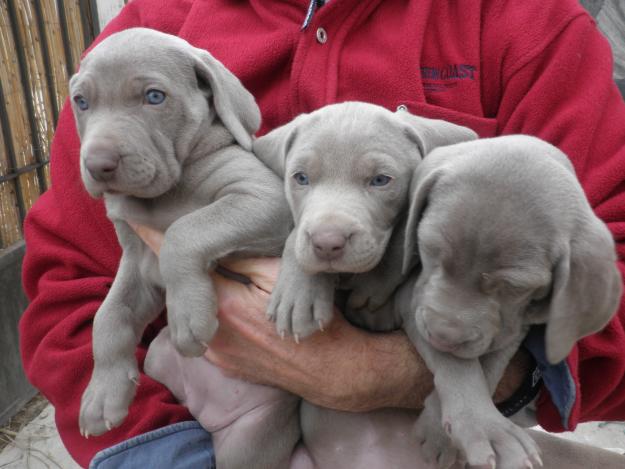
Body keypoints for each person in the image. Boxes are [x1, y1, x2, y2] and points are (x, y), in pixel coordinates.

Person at [19, 0, 625, 467]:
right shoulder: (154, 30)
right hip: (214, 427)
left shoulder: (523, 22)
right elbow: (67, 290)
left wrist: (391, 374)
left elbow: (608, 265)